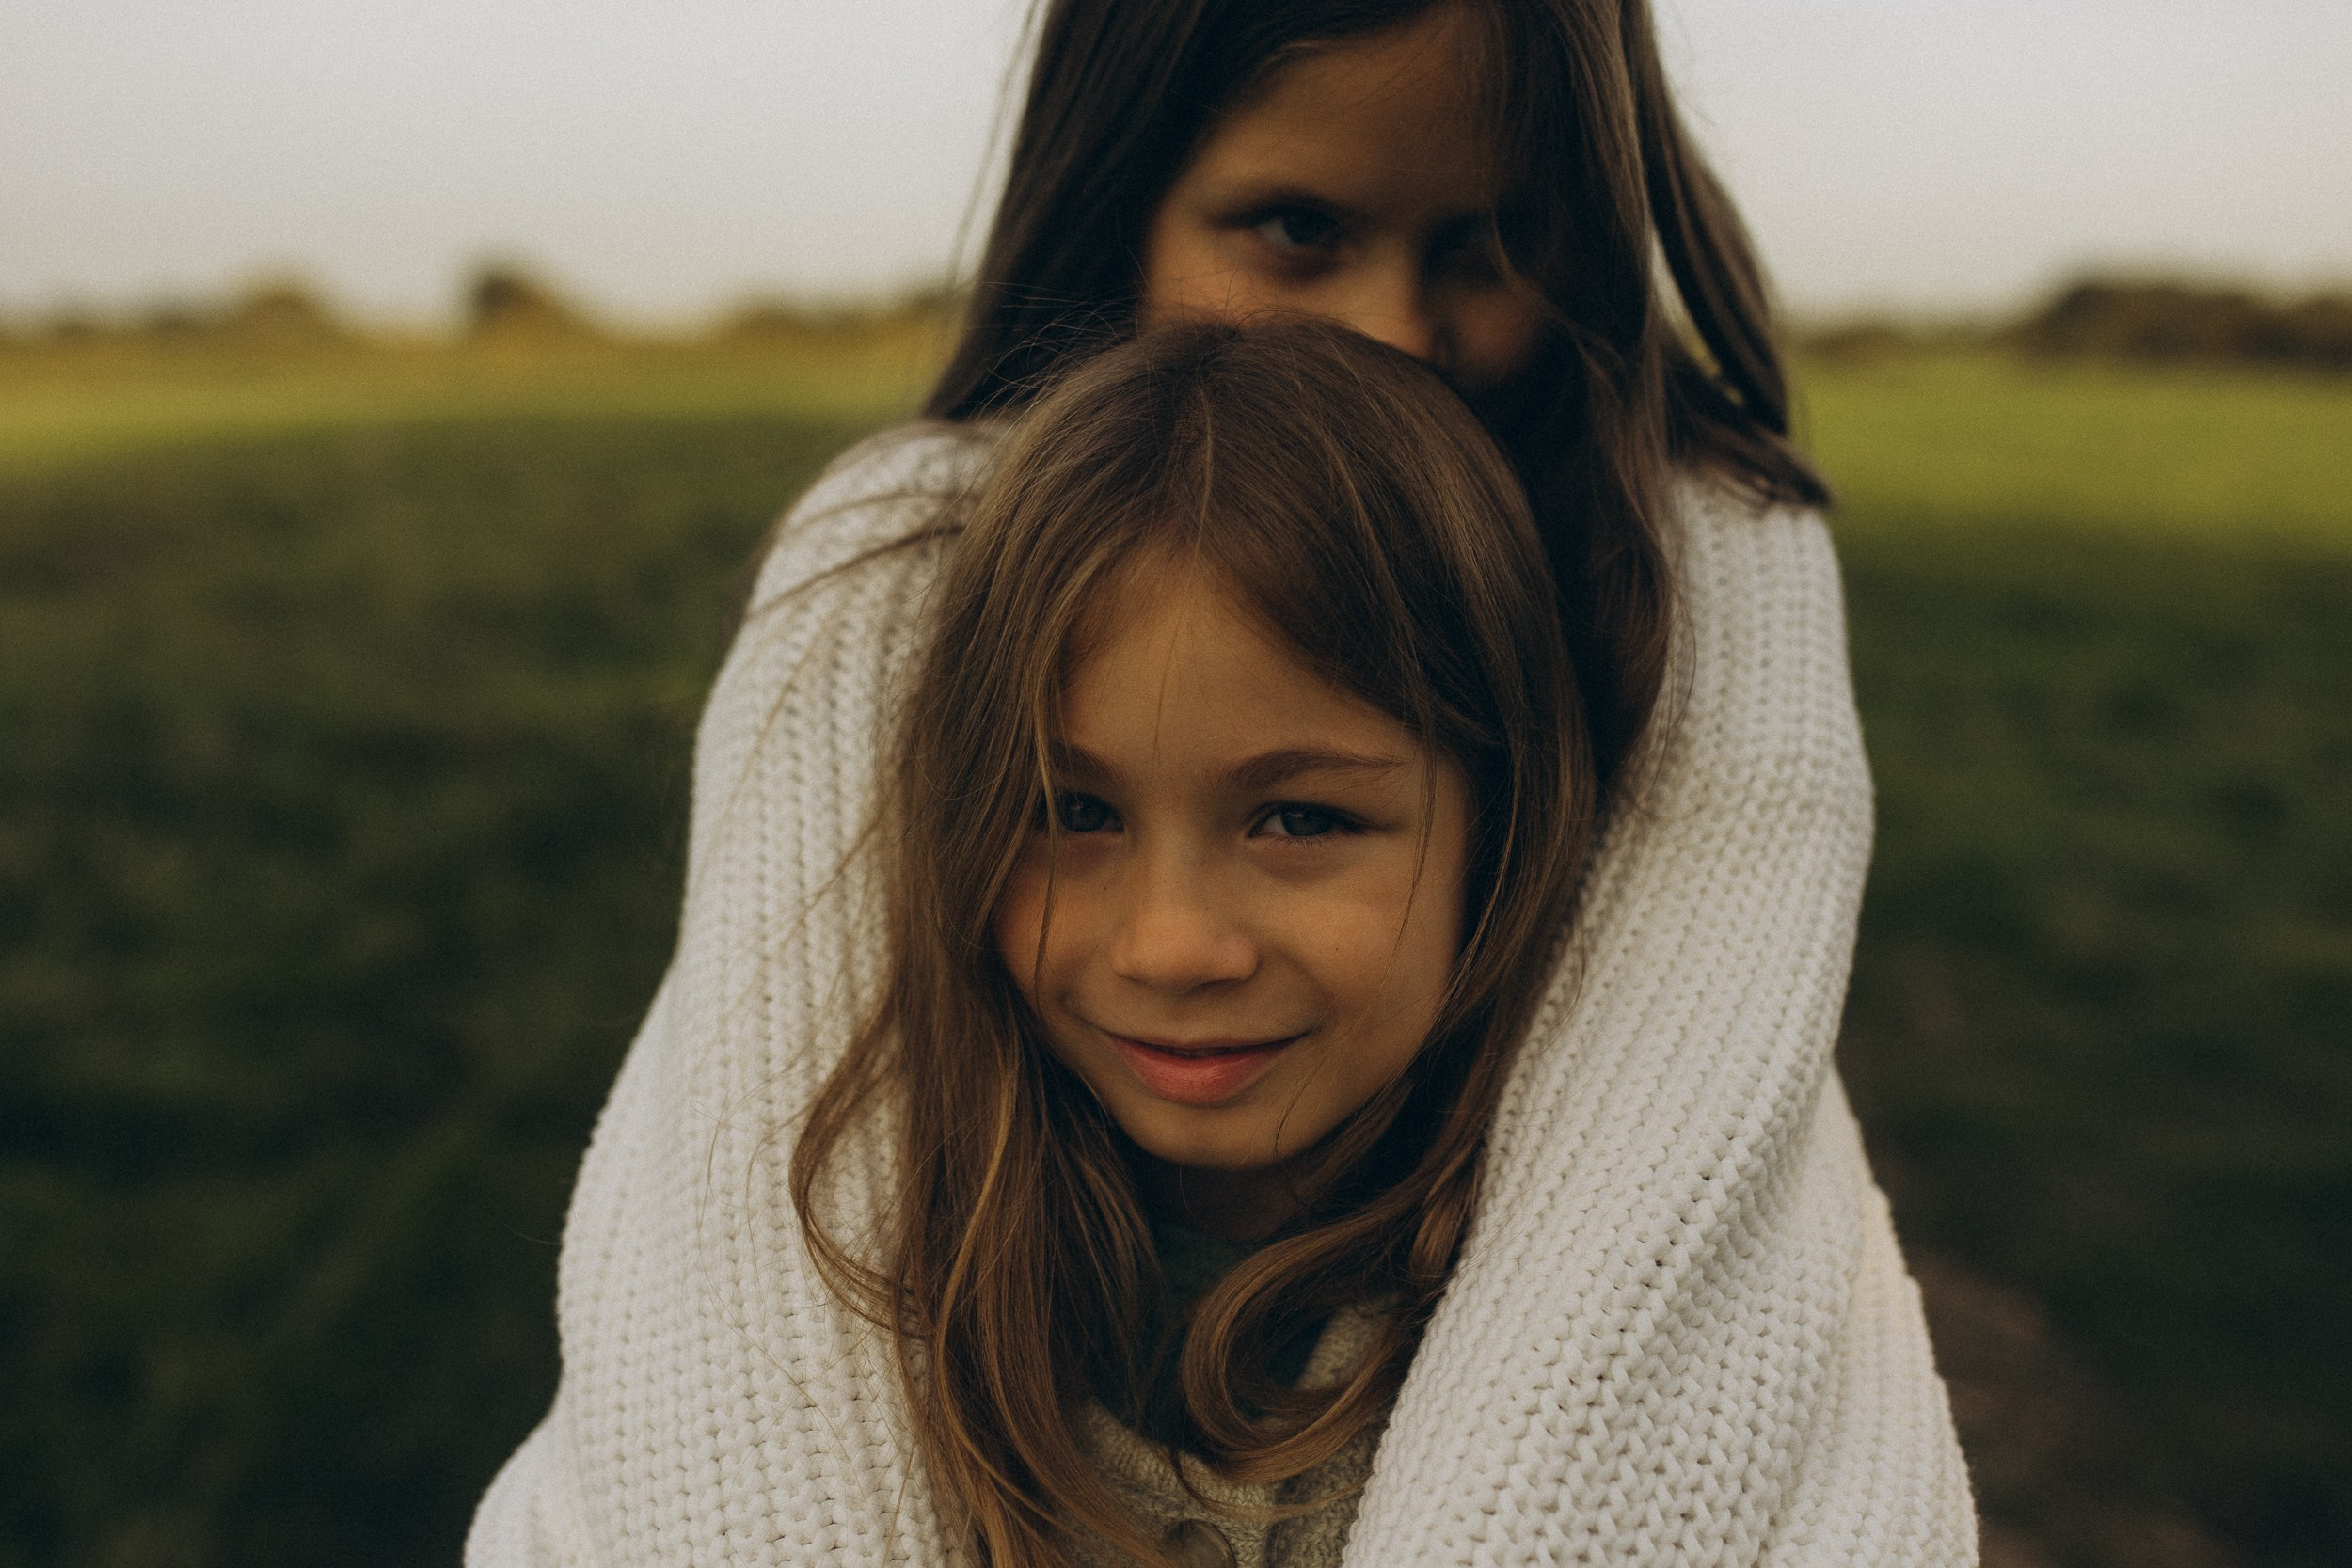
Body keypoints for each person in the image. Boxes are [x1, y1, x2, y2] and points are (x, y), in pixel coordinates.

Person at [469, 3, 1976, 1565]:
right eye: (1298, 229)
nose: (1391, 332)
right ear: (1118, 193)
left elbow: (1674, 1169)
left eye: (1492, 244)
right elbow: (756, 1208)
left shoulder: (1686, 554)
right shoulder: (909, 559)